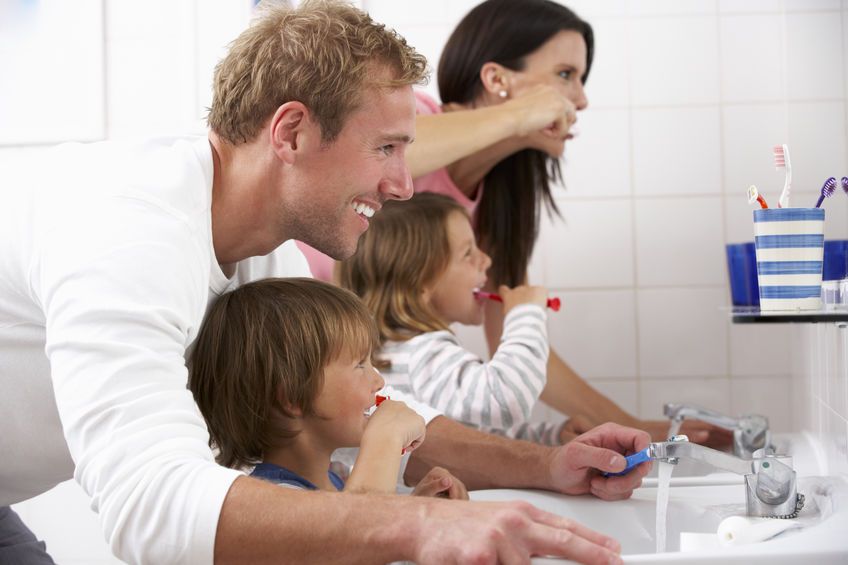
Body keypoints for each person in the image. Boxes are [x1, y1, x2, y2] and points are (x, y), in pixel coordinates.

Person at [0, 1, 649, 563]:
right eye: (386, 148)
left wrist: (547, 467)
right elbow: (149, 504)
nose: (401, 185)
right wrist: (414, 524)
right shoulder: (131, 232)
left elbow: (371, 408)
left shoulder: (268, 252)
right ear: (291, 132)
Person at [303, 0, 732, 447]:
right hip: (309, 360)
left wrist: (632, 426)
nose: (581, 99)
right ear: (496, 79)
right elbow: (382, 155)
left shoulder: (496, 202)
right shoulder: (416, 121)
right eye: (565, 75)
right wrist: (517, 117)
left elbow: (511, 338)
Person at [189, 276, 468, 499]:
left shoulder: (333, 478)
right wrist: (386, 438)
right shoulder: (277, 501)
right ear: (293, 396)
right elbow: (358, 541)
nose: (379, 382)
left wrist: (417, 509)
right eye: (360, 364)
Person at [341, 192, 574, 445]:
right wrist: (526, 314)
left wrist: (553, 437)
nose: (486, 260)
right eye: (467, 254)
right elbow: (505, 402)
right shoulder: (424, 355)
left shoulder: (395, 352)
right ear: (421, 282)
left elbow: (475, 435)